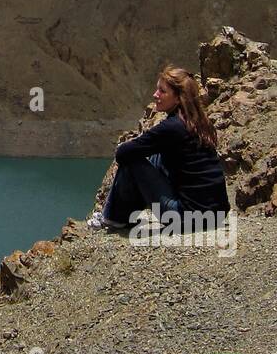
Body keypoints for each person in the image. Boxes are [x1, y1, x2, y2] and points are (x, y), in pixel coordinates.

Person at [88, 65, 229, 230]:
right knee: (157, 156)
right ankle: (118, 214)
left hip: (187, 217)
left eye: (162, 91)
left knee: (132, 161)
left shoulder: (173, 127)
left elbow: (123, 153)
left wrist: (132, 146)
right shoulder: (197, 123)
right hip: (215, 215)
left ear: (178, 98)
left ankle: (113, 218)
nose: (155, 95)